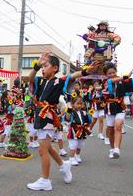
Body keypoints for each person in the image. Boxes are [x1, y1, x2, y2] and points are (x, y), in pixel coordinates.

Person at [26, 52, 99, 191]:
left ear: (55, 68)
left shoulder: (58, 81)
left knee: (43, 150)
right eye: (42, 66)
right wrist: (37, 66)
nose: (43, 68)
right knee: (47, 147)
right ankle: (63, 165)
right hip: (40, 115)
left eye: (46, 66)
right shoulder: (40, 81)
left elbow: (73, 76)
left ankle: (45, 180)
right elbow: (30, 79)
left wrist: (84, 71)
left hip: (48, 116)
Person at [102, 62, 133, 159]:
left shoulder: (121, 81)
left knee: (118, 126)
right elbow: (113, 81)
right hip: (110, 107)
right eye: (109, 73)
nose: (112, 74)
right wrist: (124, 76)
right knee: (110, 130)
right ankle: (112, 148)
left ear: (116, 71)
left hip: (120, 106)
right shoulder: (105, 82)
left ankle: (117, 149)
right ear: (106, 75)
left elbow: (132, 80)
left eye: (113, 72)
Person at [66, 97, 91, 166]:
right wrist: (69, 110)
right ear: (73, 104)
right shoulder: (71, 112)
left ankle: (77, 155)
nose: (79, 105)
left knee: (80, 144)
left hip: (82, 130)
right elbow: (67, 118)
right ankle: (71, 158)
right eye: (77, 104)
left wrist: (88, 118)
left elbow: (87, 121)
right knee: (73, 145)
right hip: (74, 130)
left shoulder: (83, 112)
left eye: (81, 104)